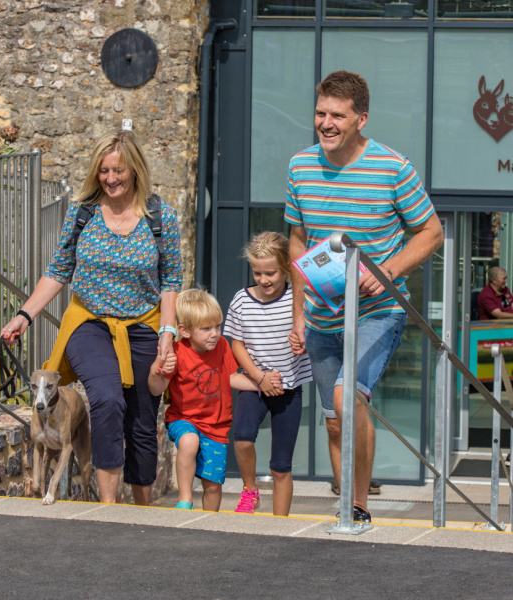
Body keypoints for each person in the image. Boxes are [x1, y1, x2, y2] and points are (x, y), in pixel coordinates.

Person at [286, 70, 444, 523]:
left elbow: (432, 232)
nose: (326, 122)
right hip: (321, 314)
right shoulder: (300, 167)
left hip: (378, 309)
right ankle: (346, 506)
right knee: (334, 420)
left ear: (361, 119)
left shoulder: (393, 167)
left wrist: (389, 270)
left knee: (347, 399)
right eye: (320, 113)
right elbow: (297, 242)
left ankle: (358, 506)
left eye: (338, 115)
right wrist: (298, 313)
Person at [0, 130, 182, 505]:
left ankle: (144, 508)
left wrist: (167, 333)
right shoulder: (82, 212)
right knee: (106, 399)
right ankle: (109, 509)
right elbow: (58, 269)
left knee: (143, 420)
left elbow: (171, 280)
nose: (111, 179)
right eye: (104, 171)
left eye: (119, 171)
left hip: (144, 324)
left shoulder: (161, 216)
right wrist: (24, 315)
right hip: (89, 323)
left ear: (135, 170)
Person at [224, 232, 312, 516]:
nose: (264, 279)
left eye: (271, 273)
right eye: (257, 272)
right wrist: (259, 377)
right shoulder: (241, 300)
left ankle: (279, 525)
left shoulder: (298, 299)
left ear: (286, 268)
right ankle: (250, 489)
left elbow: (311, 333)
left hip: (289, 391)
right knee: (243, 437)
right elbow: (236, 344)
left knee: (280, 466)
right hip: (256, 385)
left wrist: (303, 341)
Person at [148, 288, 257, 512]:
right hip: (183, 418)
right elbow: (157, 389)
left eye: (217, 326)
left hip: (216, 426)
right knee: (189, 441)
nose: (215, 334)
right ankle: (185, 499)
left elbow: (230, 377)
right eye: (206, 328)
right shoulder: (175, 352)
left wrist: (262, 383)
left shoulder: (223, 346)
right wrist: (154, 371)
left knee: (213, 486)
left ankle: (209, 523)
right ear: (184, 330)